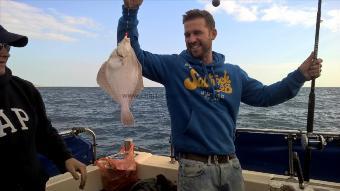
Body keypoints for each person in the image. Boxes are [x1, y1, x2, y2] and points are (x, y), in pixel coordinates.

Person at [118, 1, 322, 190]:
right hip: (194, 169)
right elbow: (131, 54)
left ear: (213, 33)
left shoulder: (234, 73)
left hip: (231, 166)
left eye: (197, 33)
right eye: (187, 35)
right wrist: (130, 12)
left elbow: (265, 96)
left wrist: (299, 76)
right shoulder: (173, 67)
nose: (191, 39)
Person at [0, 25, 87, 191]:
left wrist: (64, 157)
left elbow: (44, 132)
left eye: (7, 46)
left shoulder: (25, 89)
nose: (5, 53)